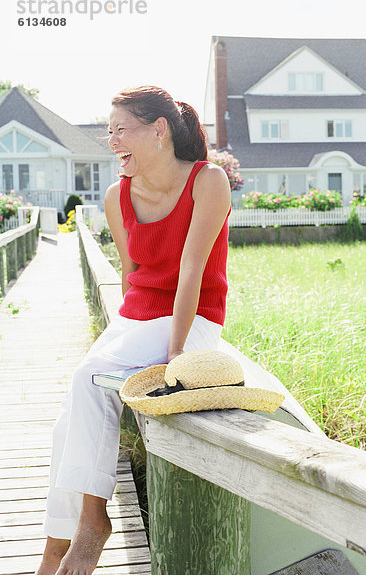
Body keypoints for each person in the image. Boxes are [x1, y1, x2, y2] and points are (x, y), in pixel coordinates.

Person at [36, 85, 231, 575]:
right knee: (69, 420)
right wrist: (123, 337)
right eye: (109, 131)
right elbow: (130, 279)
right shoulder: (115, 195)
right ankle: (53, 550)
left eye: (121, 129)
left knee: (87, 380)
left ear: (158, 130)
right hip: (138, 319)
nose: (111, 140)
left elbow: (191, 271)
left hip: (194, 320)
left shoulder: (208, 181)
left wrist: (177, 355)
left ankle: (92, 526)